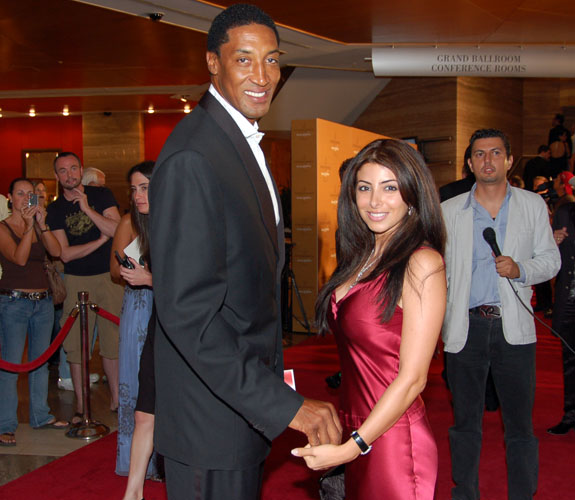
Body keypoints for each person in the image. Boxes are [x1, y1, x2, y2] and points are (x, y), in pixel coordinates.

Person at [149, 5, 341, 499]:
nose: (263, 76)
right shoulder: (195, 155)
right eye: (244, 60)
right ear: (213, 63)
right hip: (209, 422)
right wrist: (286, 404)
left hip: (236, 409)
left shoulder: (233, 141)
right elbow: (191, 315)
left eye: (273, 60)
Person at [292, 139, 446, 499]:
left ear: (412, 193)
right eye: (365, 188)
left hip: (393, 440)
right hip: (359, 430)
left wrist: (350, 448)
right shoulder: (362, 255)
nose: (375, 201)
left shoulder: (422, 263)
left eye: (390, 187)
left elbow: (413, 379)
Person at [441, 129, 561, 500]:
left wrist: (520, 269)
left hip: (514, 330)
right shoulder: (449, 211)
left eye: (496, 153)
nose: (487, 161)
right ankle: (466, 493)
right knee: (465, 424)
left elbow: (551, 260)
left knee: (520, 427)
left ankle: (523, 494)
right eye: (479, 154)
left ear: (509, 160)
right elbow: (436, 270)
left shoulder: (531, 205)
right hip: (465, 328)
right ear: (469, 162)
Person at [46, 152, 124, 422]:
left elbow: (118, 231)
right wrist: (100, 241)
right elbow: (65, 255)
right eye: (63, 171)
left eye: (73, 168)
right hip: (76, 279)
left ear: (81, 170)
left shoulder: (100, 196)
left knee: (113, 341)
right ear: (57, 177)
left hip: (110, 277)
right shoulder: (54, 210)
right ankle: (81, 406)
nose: (70, 175)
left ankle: (117, 399)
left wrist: (88, 209)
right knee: (76, 346)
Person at [0, 178, 68, 447]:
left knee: (40, 362)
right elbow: (18, 257)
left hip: (43, 303)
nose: (26, 199)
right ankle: (5, 424)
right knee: (11, 365)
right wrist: (28, 228)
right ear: (10, 197)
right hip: (13, 303)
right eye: (20, 194)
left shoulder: (39, 225)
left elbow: (56, 251)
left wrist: (41, 224)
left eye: (31, 194)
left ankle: (40, 415)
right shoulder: (3, 228)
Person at [111, 161, 160, 494]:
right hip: (140, 305)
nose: (138, 194)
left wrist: (151, 277)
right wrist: (132, 271)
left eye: (144, 187)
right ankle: (136, 470)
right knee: (137, 385)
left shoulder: (174, 222)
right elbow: (113, 272)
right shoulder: (129, 222)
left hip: (170, 309)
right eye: (134, 188)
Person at [547, 202, 575, 435]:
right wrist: (552, 243)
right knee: (570, 361)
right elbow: (550, 261)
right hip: (570, 301)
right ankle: (571, 414)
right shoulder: (565, 213)